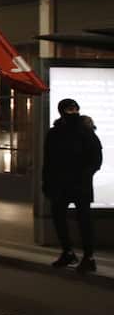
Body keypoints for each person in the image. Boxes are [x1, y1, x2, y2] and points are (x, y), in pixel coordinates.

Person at [42, 98, 103, 274]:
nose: (72, 111)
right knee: (60, 217)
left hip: (79, 184)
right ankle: (68, 252)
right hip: (62, 184)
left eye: (74, 108)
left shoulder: (85, 132)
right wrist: (46, 182)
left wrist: (85, 174)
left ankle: (88, 257)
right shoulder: (55, 133)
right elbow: (48, 160)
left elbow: (96, 159)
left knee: (84, 220)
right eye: (69, 109)